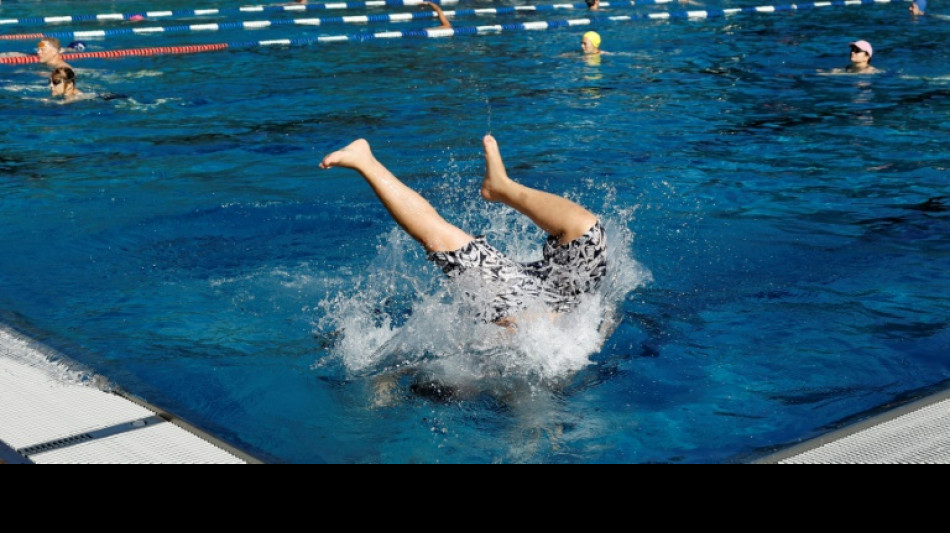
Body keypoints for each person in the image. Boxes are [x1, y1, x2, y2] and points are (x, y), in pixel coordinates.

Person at [319, 136, 607, 327]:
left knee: (441, 239)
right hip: (544, 300)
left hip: (536, 302)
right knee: (586, 231)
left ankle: (366, 162)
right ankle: (502, 187)